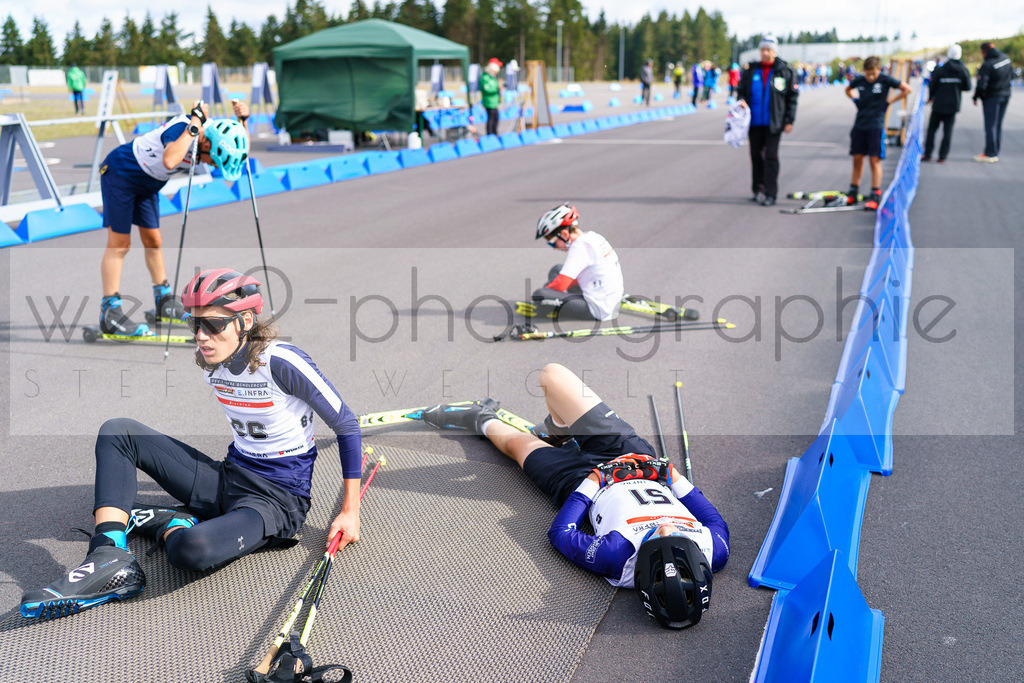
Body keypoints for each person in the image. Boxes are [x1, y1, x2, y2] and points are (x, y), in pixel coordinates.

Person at [20, 269, 364, 620]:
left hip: (275, 501)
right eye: (194, 324)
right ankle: (108, 555)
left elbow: (347, 425)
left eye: (213, 324)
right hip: (229, 476)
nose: (201, 336)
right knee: (117, 432)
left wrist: (349, 512)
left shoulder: (282, 362)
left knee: (190, 550)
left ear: (245, 321)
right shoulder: (213, 361)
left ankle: (168, 522)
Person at [417, 364, 730, 629]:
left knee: (516, 446)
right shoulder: (715, 549)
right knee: (552, 375)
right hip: (633, 457)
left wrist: (595, 480)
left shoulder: (616, 558)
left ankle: (480, 418)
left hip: (582, 482)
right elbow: (711, 517)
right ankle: (559, 431)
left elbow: (561, 533)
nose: (665, 527)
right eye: (676, 535)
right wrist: (669, 474)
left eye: (655, 539)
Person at [98, 100, 250, 336]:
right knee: (120, 244)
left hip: (149, 182)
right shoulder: (183, 127)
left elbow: (239, 152)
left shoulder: (213, 138)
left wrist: (243, 122)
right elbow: (169, 160)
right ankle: (110, 312)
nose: (211, 164)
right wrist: (194, 125)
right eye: (212, 159)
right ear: (206, 143)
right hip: (121, 172)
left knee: (153, 241)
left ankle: (163, 301)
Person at [532, 204, 624, 322]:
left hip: (598, 309)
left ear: (564, 234)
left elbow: (561, 285)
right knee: (557, 270)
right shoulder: (593, 237)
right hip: (608, 297)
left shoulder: (580, 247)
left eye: (552, 242)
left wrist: (545, 295)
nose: (554, 247)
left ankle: (545, 308)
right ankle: (551, 302)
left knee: (539, 295)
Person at [737, 35, 799, 207]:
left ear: (774, 52)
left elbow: (792, 98)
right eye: (763, 50)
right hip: (754, 121)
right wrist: (741, 100)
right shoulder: (751, 70)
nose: (765, 53)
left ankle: (771, 193)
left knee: (771, 156)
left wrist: (790, 120)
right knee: (756, 155)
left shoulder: (784, 71)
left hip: (774, 122)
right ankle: (758, 189)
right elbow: (741, 91)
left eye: (769, 50)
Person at [844, 56, 912, 210]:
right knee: (857, 159)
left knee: (874, 160)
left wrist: (889, 102)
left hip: (876, 125)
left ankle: (875, 193)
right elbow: (847, 90)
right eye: (868, 74)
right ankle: (853, 191)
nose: (870, 77)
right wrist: (855, 100)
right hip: (860, 123)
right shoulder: (860, 81)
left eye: (873, 74)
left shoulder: (885, 80)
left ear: (879, 70)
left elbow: (907, 89)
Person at [922, 45, 972, 163]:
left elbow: (932, 86)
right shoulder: (963, 70)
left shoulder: (940, 70)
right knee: (947, 132)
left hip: (938, 105)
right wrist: (956, 86)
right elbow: (968, 87)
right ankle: (942, 157)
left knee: (932, 130)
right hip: (953, 106)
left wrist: (930, 98)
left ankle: (928, 154)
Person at [972, 41, 1013, 162]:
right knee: (998, 125)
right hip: (1006, 95)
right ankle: (995, 152)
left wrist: (976, 97)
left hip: (992, 97)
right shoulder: (1005, 58)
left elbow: (981, 85)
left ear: (984, 51)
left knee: (990, 125)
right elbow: (1012, 75)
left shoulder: (987, 64)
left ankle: (990, 153)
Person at [480, 58, 503, 137]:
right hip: (489, 101)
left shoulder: (493, 78)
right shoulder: (485, 78)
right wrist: (497, 88)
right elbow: (487, 90)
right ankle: (490, 134)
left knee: (496, 118)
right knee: (491, 118)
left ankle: (494, 133)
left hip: (494, 101)